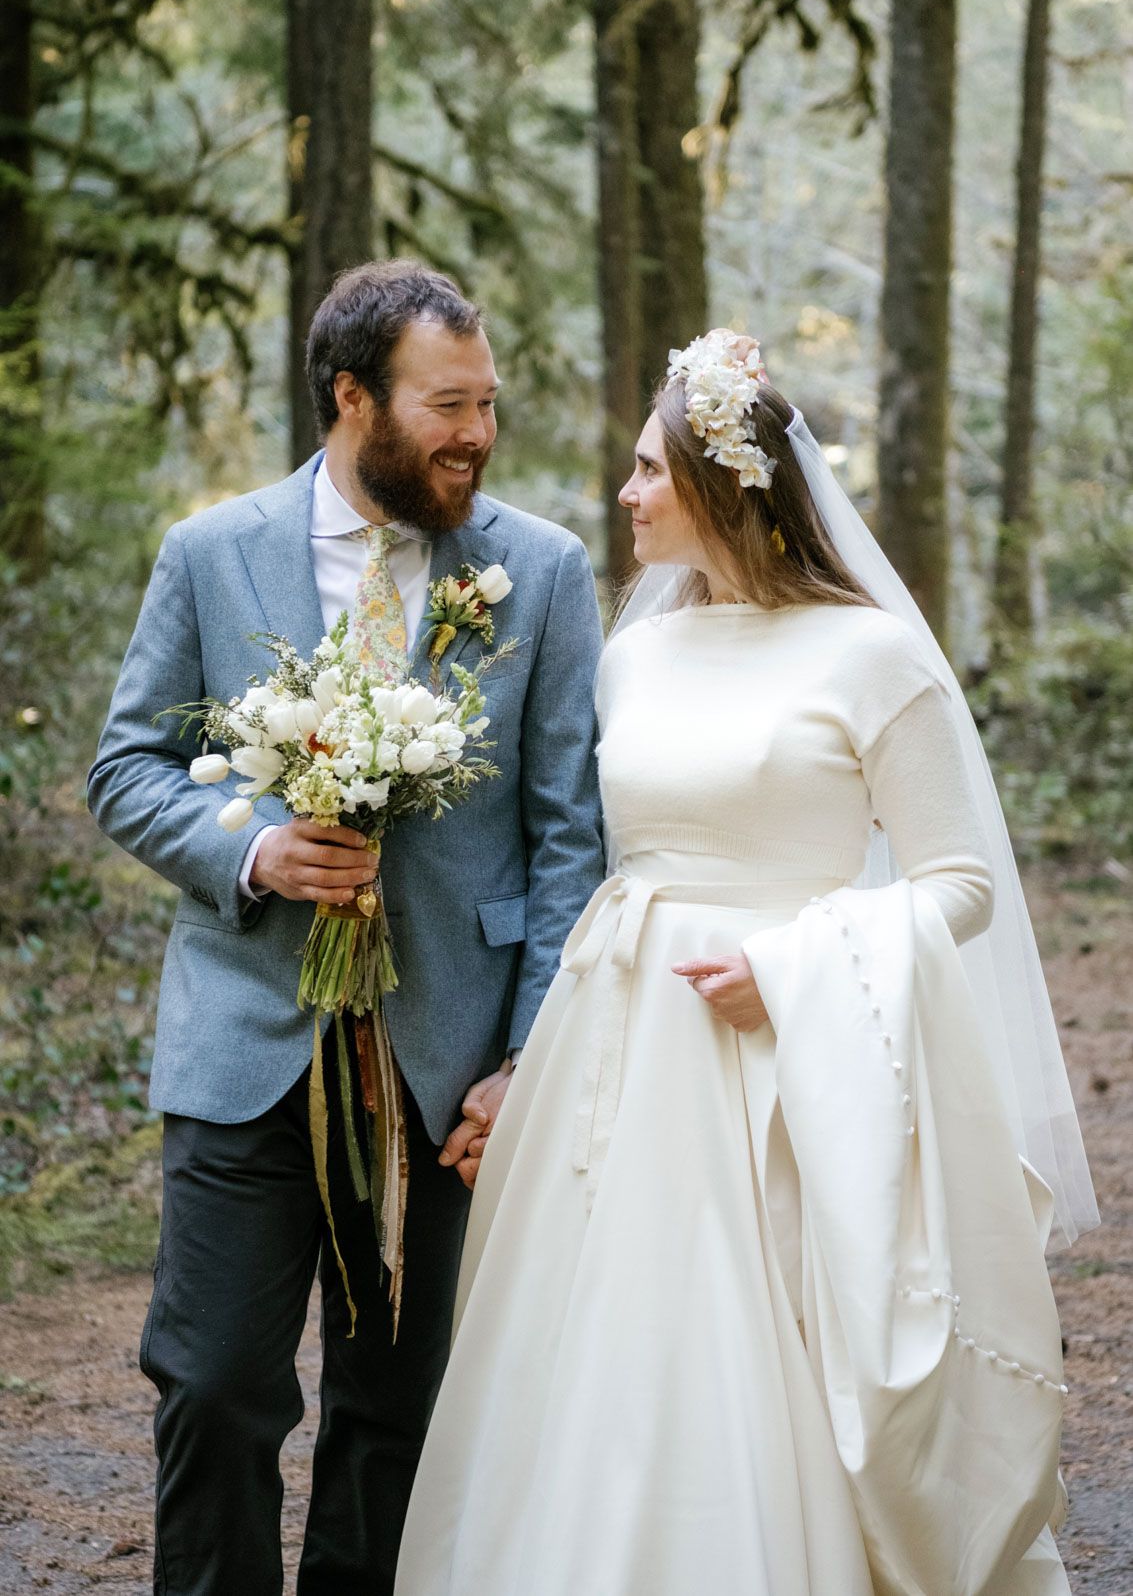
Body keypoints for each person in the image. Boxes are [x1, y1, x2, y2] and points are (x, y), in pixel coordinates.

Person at [394, 329, 1098, 1596]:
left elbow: (959, 883)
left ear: (725, 486)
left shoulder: (871, 657)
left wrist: (798, 967)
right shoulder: (634, 651)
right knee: (597, 1338)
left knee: (759, 1341)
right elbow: (587, 847)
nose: (626, 495)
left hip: (785, 1050)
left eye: (650, 470)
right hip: (618, 1041)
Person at [87, 259, 605, 1596]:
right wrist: (252, 849)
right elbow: (126, 769)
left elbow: (568, 837)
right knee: (210, 1387)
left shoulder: (539, 571)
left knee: (394, 1418)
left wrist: (524, 1059)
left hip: (443, 1072)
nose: (477, 435)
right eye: (447, 405)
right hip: (244, 1040)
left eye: (487, 403)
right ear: (349, 397)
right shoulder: (210, 552)